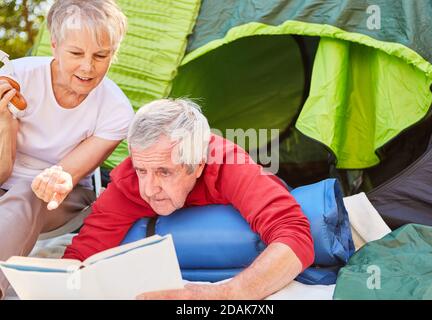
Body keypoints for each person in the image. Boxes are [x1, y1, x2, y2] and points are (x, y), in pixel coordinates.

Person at [63, 98, 314, 300]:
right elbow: (79, 257)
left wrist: (228, 294)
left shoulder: (228, 164)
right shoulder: (130, 180)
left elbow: (295, 235)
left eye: (165, 172)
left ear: (197, 165)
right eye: (142, 170)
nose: (149, 189)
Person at [0, 0, 134, 298]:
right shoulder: (18, 78)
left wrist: (58, 178)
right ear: (56, 45)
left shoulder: (116, 110)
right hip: (4, 177)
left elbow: (64, 175)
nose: (88, 67)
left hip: (64, 194)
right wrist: (5, 123)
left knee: (31, 191)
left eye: (101, 55)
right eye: (76, 53)